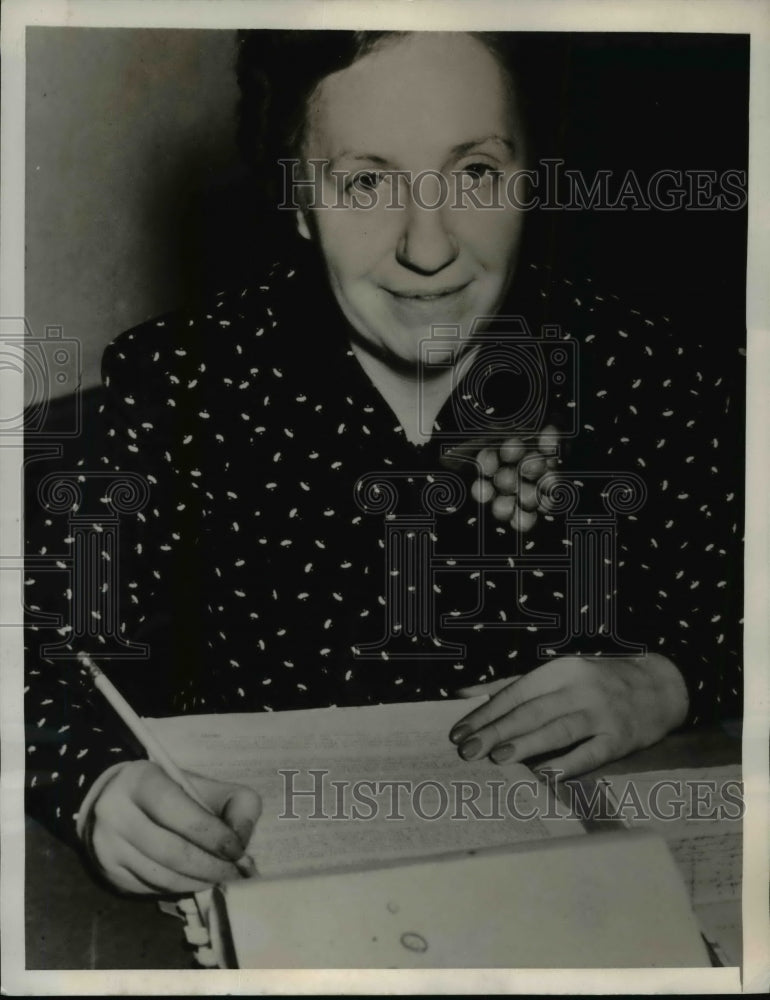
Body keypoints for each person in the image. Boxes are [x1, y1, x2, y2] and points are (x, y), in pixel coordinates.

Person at [25, 30, 743, 897]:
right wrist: (96, 787)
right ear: (297, 203)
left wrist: (668, 681)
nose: (429, 249)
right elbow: (34, 646)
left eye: (476, 172)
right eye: (366, 182)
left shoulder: (656, 376)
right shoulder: (182, 382)